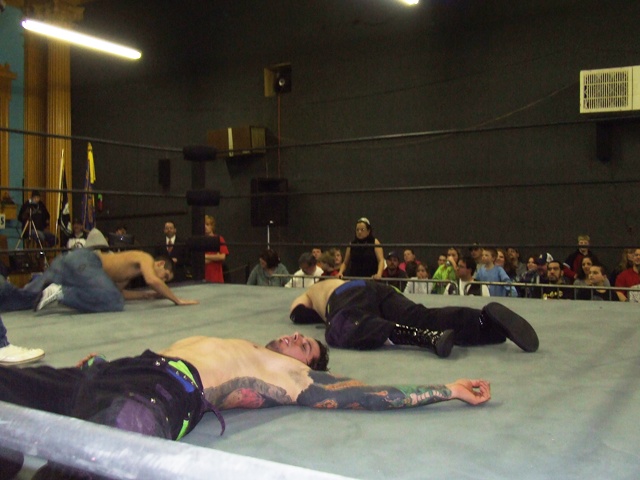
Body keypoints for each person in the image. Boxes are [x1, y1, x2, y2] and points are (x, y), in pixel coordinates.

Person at [0, 333, 490, 479]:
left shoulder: (288, 375)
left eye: (306, 346)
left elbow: (361, 394)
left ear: (308, 365)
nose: (297, 338)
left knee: (103, 452)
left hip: (162, 390)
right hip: (114, 372)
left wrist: (446, 388)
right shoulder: (237, 341)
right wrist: (100, 363)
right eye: (300, 336)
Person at [289, 279, 539, 359]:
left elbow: (297, 312)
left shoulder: (312, 290)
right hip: (379, 289)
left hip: (344, 295)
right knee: (422, 316)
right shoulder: (336, 279)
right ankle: (485, 323)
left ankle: (422, 338)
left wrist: (319, 313)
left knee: (339, 330)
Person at [0, 248, 198, 313]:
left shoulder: (128, 272)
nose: (163, 280)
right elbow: (153, 280)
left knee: (25, 298)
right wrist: (177, 300)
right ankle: (61, 292)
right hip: (85, 261)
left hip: (69, 266)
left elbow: (117, 292)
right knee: (115, 303)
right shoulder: (145, 257)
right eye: (165, 276)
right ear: (160, 264)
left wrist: (147, 296)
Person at [204, 215, 229, 284]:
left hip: (216, 279)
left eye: (207, 224)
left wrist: (206, 256)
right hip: (204, 279)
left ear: (212, 226)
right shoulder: (201, 240)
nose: (205, 227)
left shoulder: (219, 239)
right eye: (204, 225)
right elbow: (200, 260)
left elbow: (222, 257)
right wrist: (215, 257)